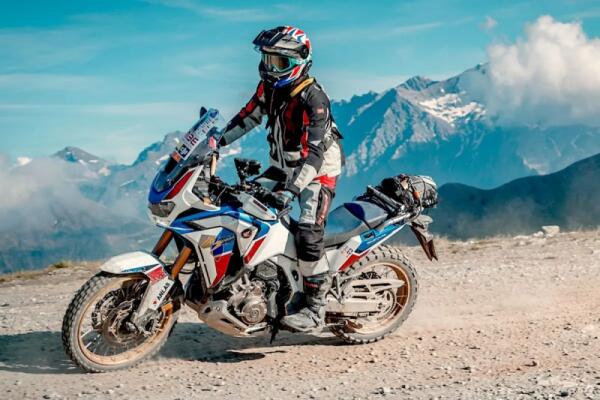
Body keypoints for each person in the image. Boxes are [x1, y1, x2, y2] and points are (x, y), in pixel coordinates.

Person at [219, 26, 344, 331]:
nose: (270, 68)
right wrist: (215, 142)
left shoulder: (314, 99)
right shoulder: (269, 88)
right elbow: (247, 117)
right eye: (267, 59)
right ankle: (266, 278)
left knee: (308, 233)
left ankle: (315, 308)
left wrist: (291, 191)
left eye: (279, 62)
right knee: (242, 208)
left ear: (300, 61)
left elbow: (315, 155)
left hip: (317, 172)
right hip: (282, 166)